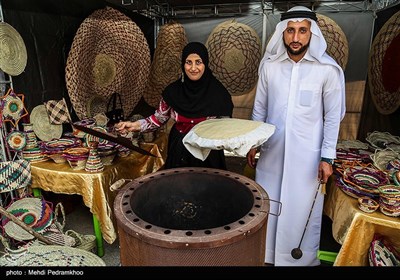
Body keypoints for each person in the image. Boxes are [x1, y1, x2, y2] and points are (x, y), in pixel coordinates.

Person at [246, 6, 346, 266]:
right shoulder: (269, 67)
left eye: (302, 31)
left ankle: (298, 260)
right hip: (272, 153)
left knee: (301, 211)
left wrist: (327, 158)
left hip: (307, 159)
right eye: (291, 30)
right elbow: (259, 109)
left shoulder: (327, 70)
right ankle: (266, 256)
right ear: (283, 32)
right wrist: (253, 144)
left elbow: (333, 117)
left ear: (312, 34)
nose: (296, 38)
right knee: (268, 204)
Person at [115, 42, 234, 170]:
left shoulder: (219, 94)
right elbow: (157, 119)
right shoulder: (172, 92)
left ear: (205, 63)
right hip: (179, 151)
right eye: (189, 62)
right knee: (178, 187)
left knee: (209, 188)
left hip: (209, 153)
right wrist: (134, 126)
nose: (193, 68)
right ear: (183, 64)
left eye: (198, 62)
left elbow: (226, 128)